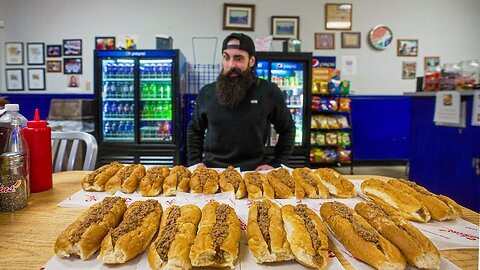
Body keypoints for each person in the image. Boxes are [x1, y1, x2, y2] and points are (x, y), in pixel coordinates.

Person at [187, 33, 295, 171]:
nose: (231, 64)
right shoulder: (207, 93)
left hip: (254, 173)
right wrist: (195, 162)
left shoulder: (269, 91)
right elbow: (195, 130)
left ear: (251, 61)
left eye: (238, 58)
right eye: (226, 57)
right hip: (213, 171)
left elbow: (288, 129)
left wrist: (277, 164)